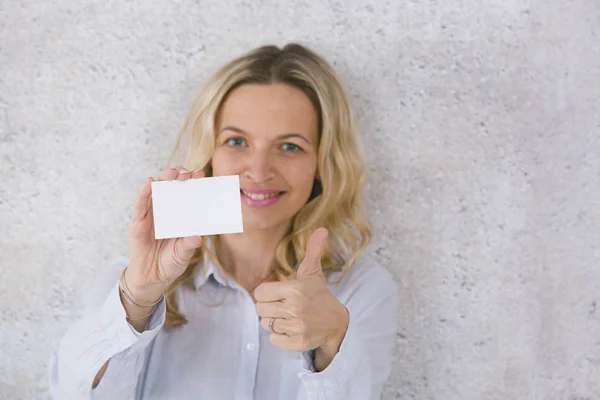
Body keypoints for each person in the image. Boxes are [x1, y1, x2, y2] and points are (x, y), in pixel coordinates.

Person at [49, 43, 398, 400]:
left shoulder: (360, 290)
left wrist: (330, 347)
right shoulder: (131, 281)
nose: (259, 170)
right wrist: (137, 301)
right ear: (210, 151)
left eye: (290, 146)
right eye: (236, 141)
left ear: (323, 162)